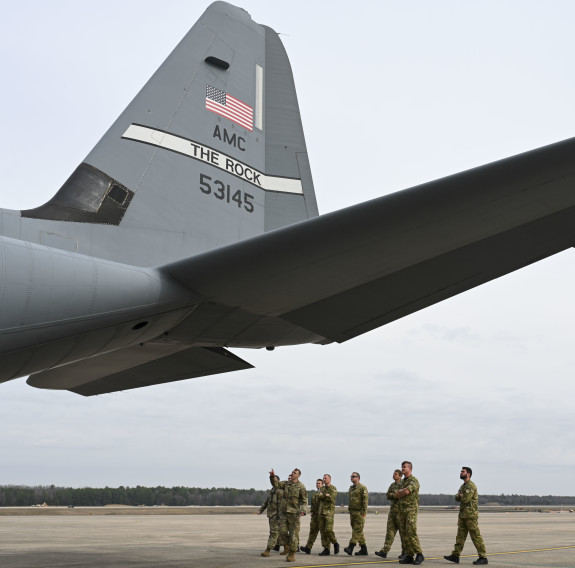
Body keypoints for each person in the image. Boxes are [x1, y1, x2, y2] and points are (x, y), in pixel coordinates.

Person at [444, 467, 488, 565]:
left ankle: (483, 557)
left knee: (475, 536)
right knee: (460, 536)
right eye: (461, 471)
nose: (461, 473)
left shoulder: (471, 486)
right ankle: (455, 555)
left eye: (463, 471)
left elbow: (465, 499)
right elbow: (456, 497)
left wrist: (460, 496)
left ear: (468, 474)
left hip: (471, 516)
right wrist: (460, 495)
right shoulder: (463, 486)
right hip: (463, 515)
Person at [270, 468, 307, 562]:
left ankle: (292, 553)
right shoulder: (286, 484)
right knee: (282, 532)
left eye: (295, 473)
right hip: (284, 513)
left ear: (299, 475)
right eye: (292, 472)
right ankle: (287, 546)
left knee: (293, 535)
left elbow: (304, 500)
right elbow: (276, 485)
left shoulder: (301, 486)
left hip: (294, 514)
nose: (292, 474)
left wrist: (303, 510)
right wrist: (272, 476)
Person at [395, 461, 424, 565]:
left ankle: (419, 554)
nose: (402, 468)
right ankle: (409, 555)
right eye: (402, 467)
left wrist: (402, 492)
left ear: (410, 469)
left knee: (411, 532)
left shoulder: (413, 480)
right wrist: (401, 491)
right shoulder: (403, 482)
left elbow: (406, 492)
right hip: (402, 511)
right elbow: (397, 494)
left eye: (404, 467)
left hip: (411, 510)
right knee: (404, 534)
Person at [375, 469, 405, 559]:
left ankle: (405, 552)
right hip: (392, 512)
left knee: (403, 534)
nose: (393, 475)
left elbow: (403, 495)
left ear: (400, 476)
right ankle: (384, 551)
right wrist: (395, 495)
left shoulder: (403, 484)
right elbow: (388, 495)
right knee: (390, 532)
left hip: (401, 512)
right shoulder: (392, 485)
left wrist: (397, 495)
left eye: (395, 474)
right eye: (393, 473)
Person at [343, 472, 368, 556]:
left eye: (353, 476)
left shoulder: (362, 488)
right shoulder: (351, 488)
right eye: (351, 476)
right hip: (352, 512)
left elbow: (365, 501)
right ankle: (364, 549)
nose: (351, 478)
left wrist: (363, 513)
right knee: (358, 531)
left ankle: (351, 547)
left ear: (358, 478)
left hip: (359, 512)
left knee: (356, 530)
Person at [259, 475, 284, 556]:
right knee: (278, 532)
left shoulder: (280, 491)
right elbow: (267, 501)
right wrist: (261, 509)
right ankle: (286, 546)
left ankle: (268, 550)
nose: (273, 482)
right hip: (271, 515)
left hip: (277, 515)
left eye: (274, 480)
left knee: (273, 532)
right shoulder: (272, 490)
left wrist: (280, 515)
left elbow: (281, 505)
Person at [317, 473, 339, 555]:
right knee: (323, 532)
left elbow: (332, 498)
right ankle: (326, 549)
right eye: (323, 478)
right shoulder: (322, 489)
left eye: (325, 478)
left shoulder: (333, 488)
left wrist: (325, 496)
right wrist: (326, 495)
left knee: (328, 530)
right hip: (321, 512)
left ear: (330, 479)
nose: (324, 479)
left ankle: (335, 543)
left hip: (329, 513)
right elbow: (319, 497)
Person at [300, 479, 323, 554]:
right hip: (315, 516)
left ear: (322, 484)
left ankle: (328, 547)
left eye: (319, 483)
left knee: (324, 533)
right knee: (312, 532)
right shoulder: (315, 494)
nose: (317, 484)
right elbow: (313, 504)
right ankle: (308, 547)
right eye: (316, 483)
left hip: (322, 516)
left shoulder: (324, 493)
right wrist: (312, 511)